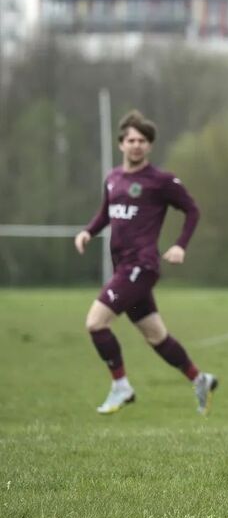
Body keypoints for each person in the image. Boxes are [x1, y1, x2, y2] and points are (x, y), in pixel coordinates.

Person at [74, 110, 217, 415]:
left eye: (142, 140)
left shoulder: (160, 181)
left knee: (95, 323)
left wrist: (180, 246)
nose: (136, 145)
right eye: (131, 140)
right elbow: (105, 214)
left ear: (149, 146)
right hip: (123, 266)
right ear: (121, 144)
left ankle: (121, 386)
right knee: (156, 336)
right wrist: (88, 232)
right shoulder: (113, 178)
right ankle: (199, 378)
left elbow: (192, 210)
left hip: (141, 266)